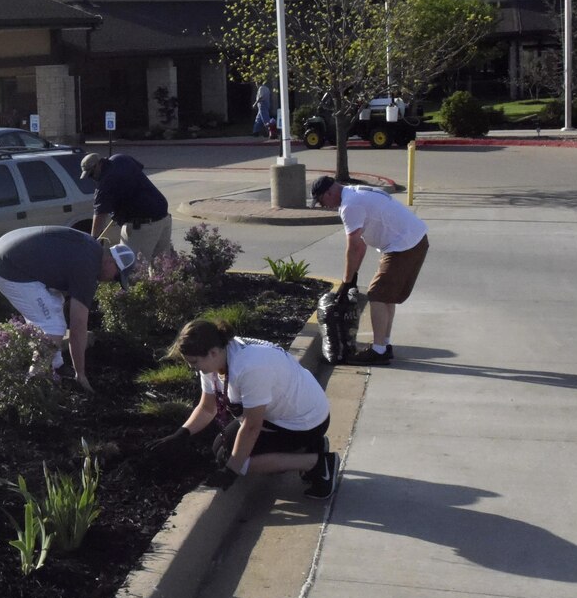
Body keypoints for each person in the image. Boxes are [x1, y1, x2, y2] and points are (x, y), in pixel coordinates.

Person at [167, 317, 337, 498]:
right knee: (222, 449)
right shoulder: (217, 358)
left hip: (306, 423)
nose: (193, 368)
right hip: (287, 414)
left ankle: (317, 463)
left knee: (236, 460)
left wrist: (232, 470)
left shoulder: (250, 367)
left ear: (213, 352)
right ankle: (310, 447)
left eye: (194, 362)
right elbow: (208, 408)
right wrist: (181, 434)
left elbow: (251, 426)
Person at [0, 225, 139, 392]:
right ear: (111, 261)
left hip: (5, 250)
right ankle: (35, 382)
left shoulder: (93, 249)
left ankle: (55, 366)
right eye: (117, 277)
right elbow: (78, 326)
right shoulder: (87, 270)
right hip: (7, 267)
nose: (112, 281)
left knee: (54, 305)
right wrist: (80, 373)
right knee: (54, 326)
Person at [310, 174, 429, 365]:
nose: (323, 206)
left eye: (322, 200)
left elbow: (354, 246)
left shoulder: (350, 205)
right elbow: (361, 246)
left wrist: (346, 282)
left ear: (330, 192)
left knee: (377, 294)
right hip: (412, 240)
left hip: (404, 245)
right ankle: (385, 345)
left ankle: (379, 351)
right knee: (386, 296)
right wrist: (353, 275)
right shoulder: (354, 193)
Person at [79, 152, 174, 261]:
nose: (92, 178)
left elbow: (100, 216)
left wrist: (94, 240)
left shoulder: (104, 184)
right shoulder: (121, 158)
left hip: (142, 226)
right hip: (163, 216)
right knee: (163, 266)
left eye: (91, 174)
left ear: (98, 164)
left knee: (130, 266)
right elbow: (136, 172)